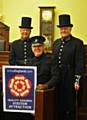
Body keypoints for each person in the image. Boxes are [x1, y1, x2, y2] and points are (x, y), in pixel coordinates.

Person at [53, 14, 84, 120]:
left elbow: (80, 63)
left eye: (66, 28)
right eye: (62, 28)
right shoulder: (56, 43)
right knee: (58, 103)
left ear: (70, 29)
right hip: (57, 77)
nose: (63, 30)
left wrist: (77, 80)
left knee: (70, 104)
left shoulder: (77, 43)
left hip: (70, 77)